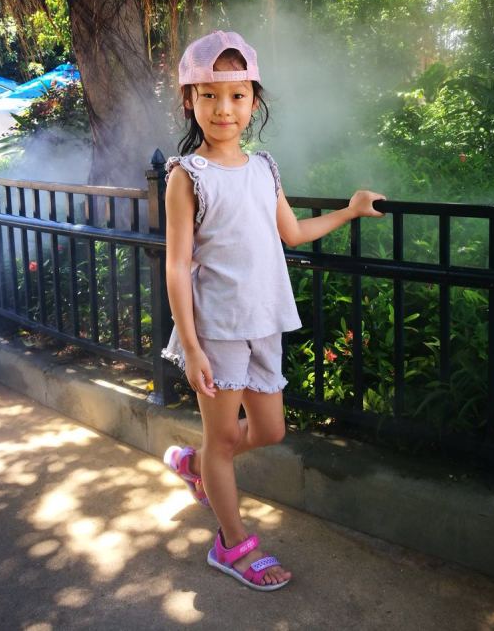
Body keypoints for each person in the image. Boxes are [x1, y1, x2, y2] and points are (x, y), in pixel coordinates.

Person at [161, 30, 385, 591]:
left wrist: (350, 211)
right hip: (217, 330)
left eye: (237, 95)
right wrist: (191, 347)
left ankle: (194, 464)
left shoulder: (264, 167)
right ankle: (232, 545)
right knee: (222, 443)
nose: (224, 108)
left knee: (271, 429)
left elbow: (293, 232)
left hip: (264, 321)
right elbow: (177, 265)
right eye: (209, 95)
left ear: (254, 101)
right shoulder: (187, 175)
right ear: (189, 100)